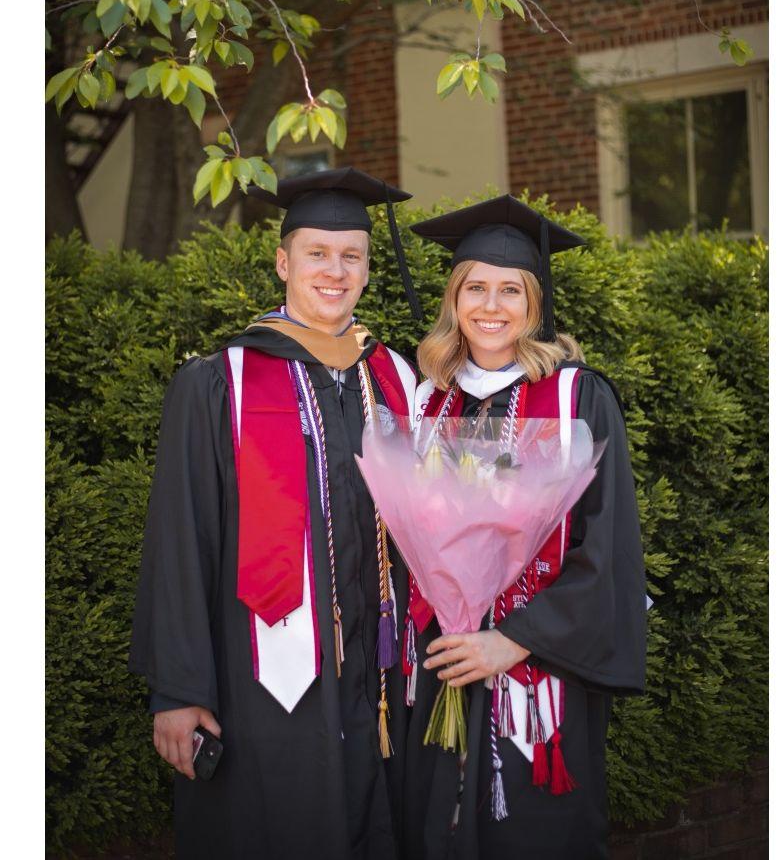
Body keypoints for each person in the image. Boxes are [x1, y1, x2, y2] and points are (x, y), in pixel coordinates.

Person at [129, 167, 421, 859]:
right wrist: (178, 688)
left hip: (378, 681)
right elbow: (180, 542)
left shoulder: (398, 379)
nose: (335, 269)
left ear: (369, 271)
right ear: (283, 261)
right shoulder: (218, 383)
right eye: (317, 252)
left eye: (352, 255)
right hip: (261, 682)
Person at [400, 195, 647, 860]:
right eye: (474, 287)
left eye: (511, 289)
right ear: (453, 300)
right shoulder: (426, 402)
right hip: (444, 664)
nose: (491, 305)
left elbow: (607, 548)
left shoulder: (578, 399)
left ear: (535, 306)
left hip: (540, 674)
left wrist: (514, 640)